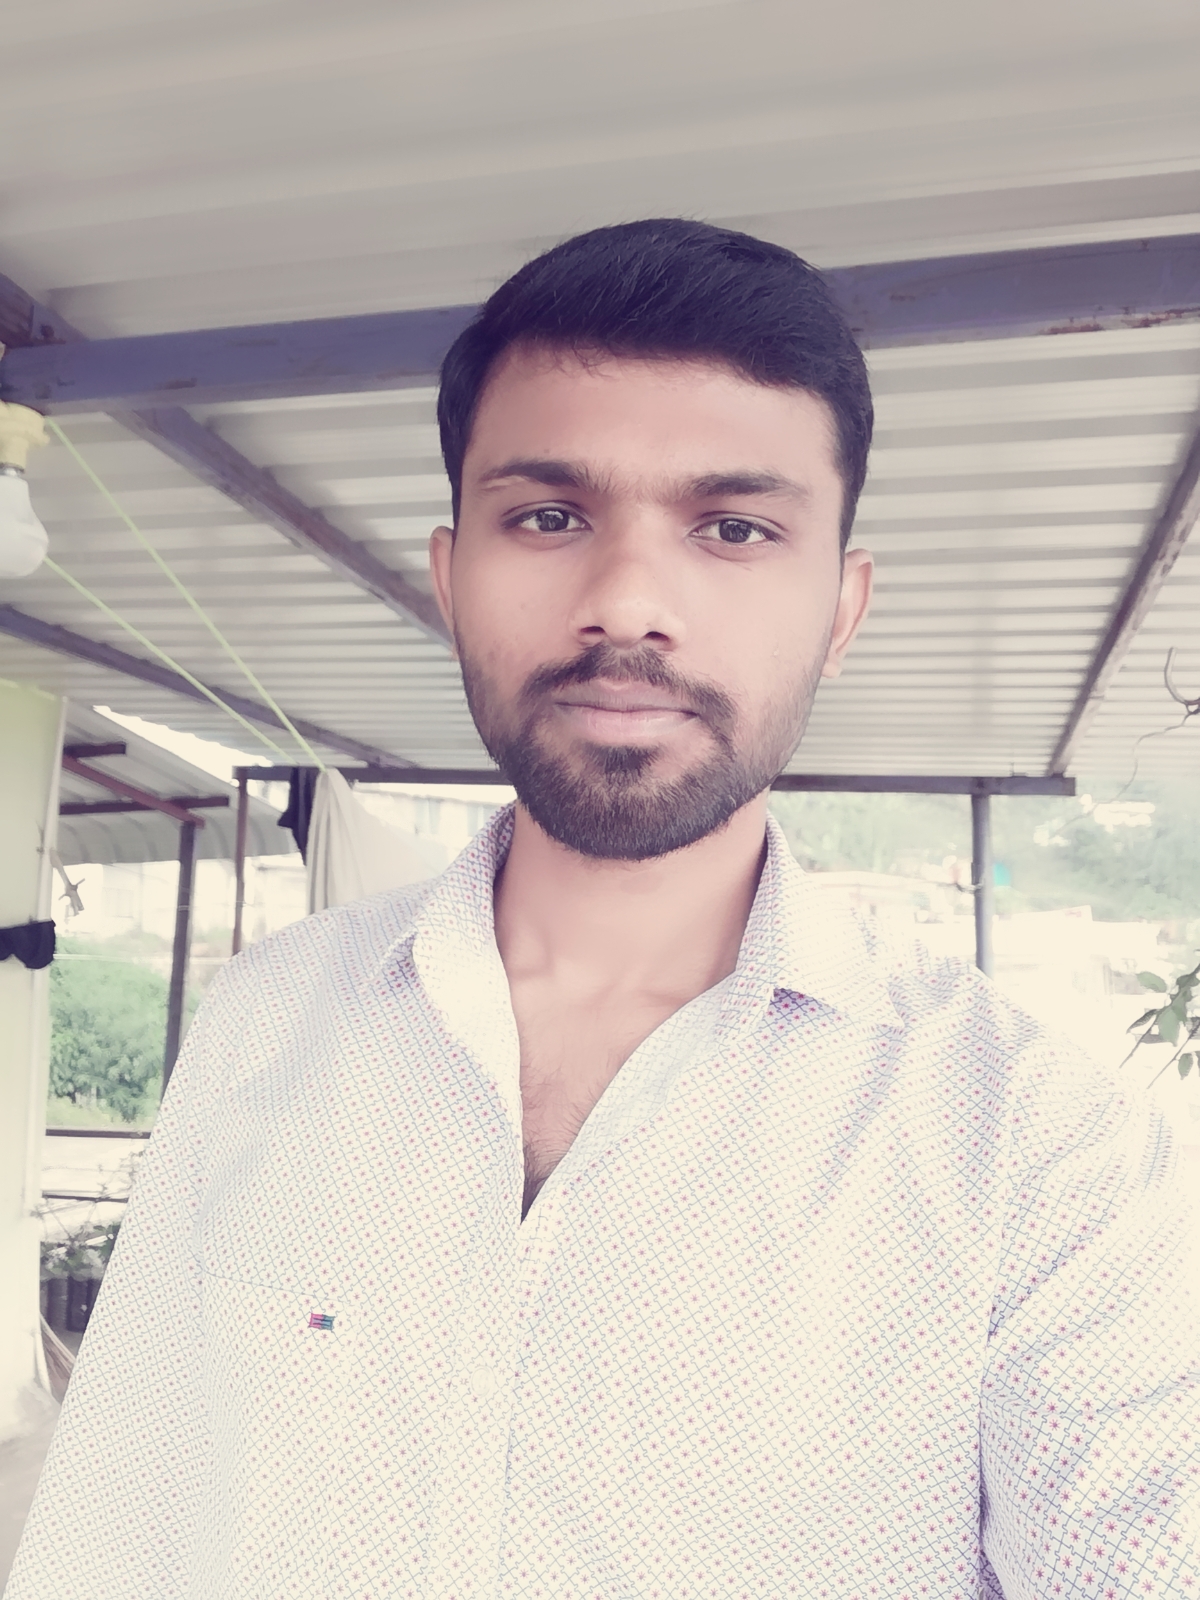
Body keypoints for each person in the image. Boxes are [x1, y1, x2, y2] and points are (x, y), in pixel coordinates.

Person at [7, 220, 1196, 1600]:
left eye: (735, 528)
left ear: (841, 609)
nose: (627, 603)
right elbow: (118, 1523)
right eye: (549, 517)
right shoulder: (269, 1019)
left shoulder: (1034, 1147)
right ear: (451, 579)